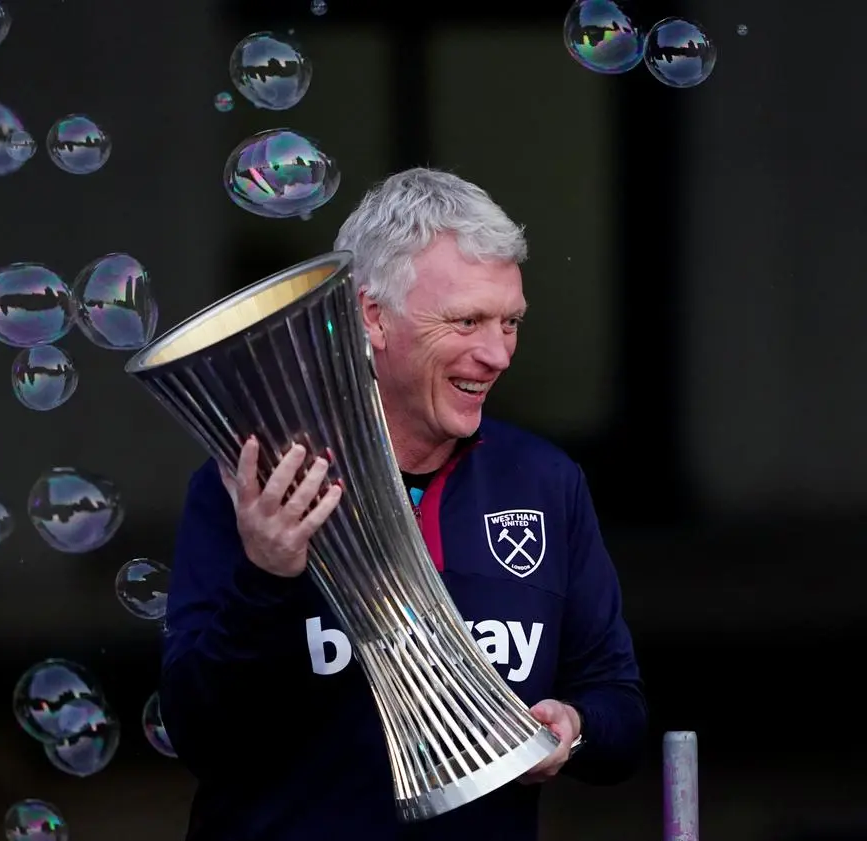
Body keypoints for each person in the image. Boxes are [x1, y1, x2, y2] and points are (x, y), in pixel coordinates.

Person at [160, 168, 648, 841]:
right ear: (372, 317)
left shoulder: (543, 482)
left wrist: (576, 728)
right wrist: (266, 575)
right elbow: (201, 736)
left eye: (510, 322)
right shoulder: (256, 489)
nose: (497, 352)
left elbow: (619, 709)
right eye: (467, 320)